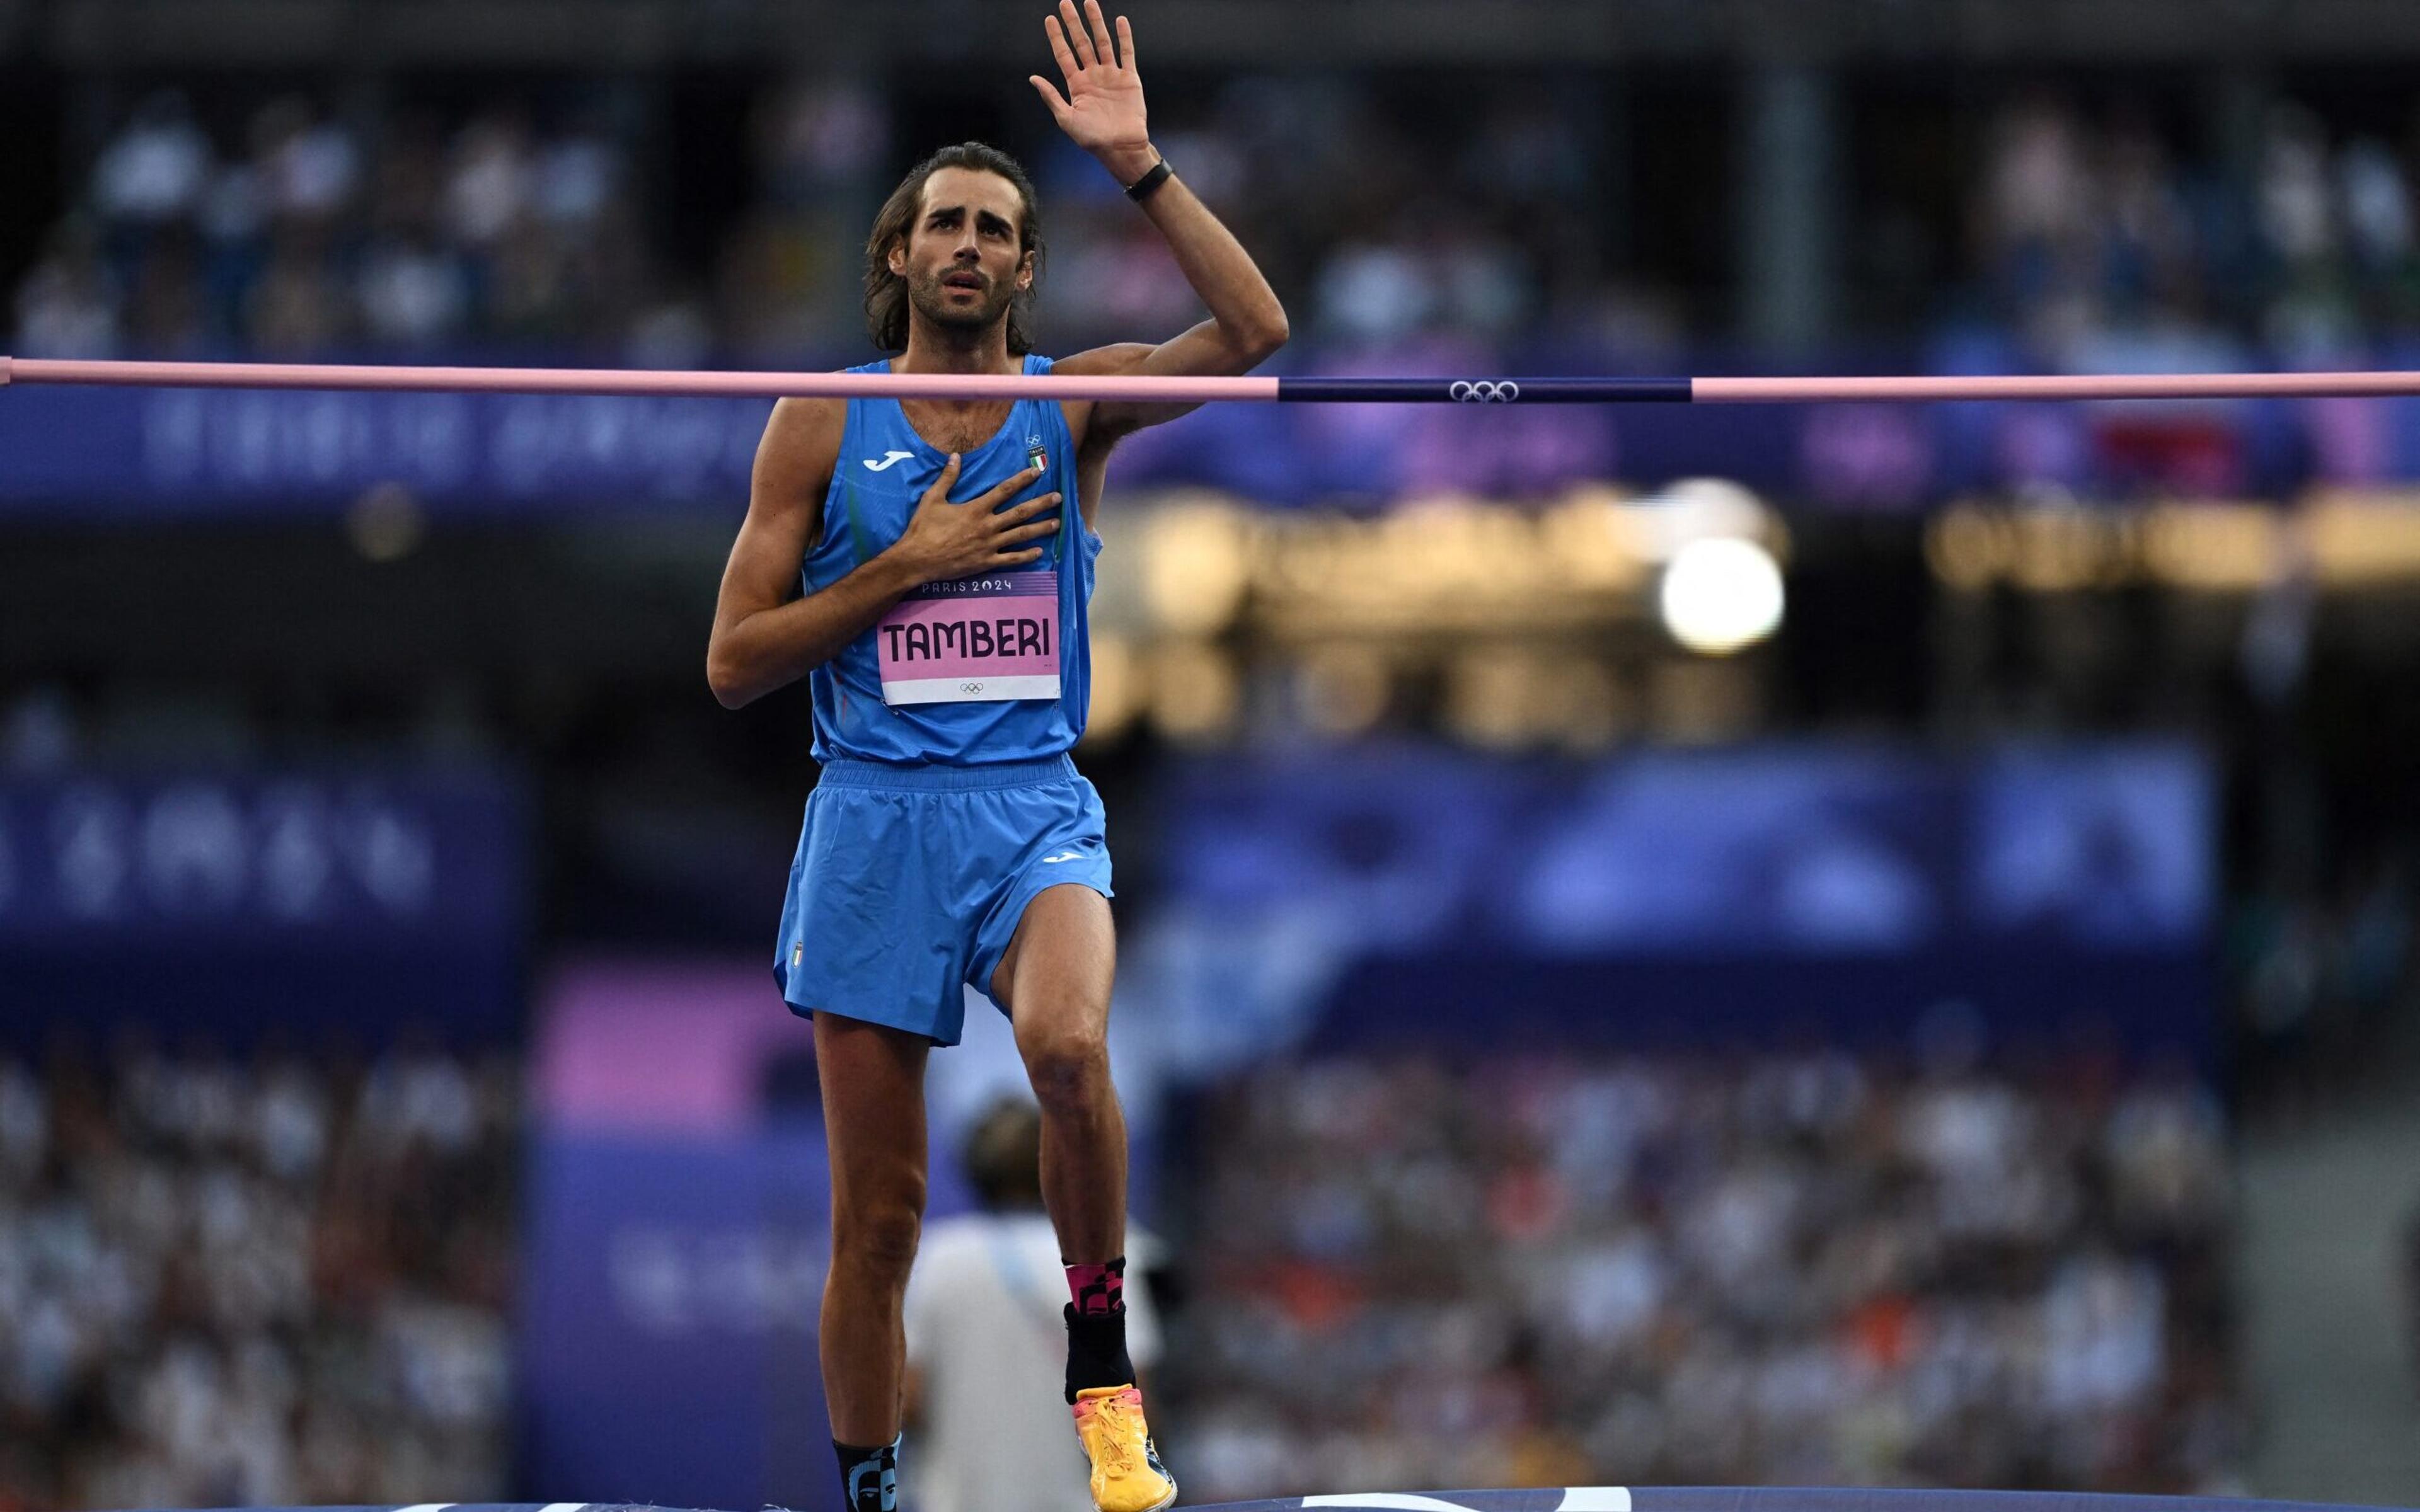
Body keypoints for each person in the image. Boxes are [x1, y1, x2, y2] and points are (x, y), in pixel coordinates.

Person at [703, 4, 1286, 1509]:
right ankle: (868, 1489)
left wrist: (1140, 167)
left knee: (1074, 1050)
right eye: (942, 223)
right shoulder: (819, 425)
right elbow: (732, 658)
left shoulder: (1067, 400)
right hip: (874, 817)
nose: (966, 245)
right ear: (896, 254)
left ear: (1026, 267)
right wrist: (909, 562)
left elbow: (1254, 335)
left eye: (996, 229)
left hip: (1030, 807)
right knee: (877, 1219)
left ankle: (1104, 1376)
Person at [904, 1099, 1163, 1512]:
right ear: (1059, 1163)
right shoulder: (1106, 1250)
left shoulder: (937, 1259)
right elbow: (1138, 1398)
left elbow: (909, 1401)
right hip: (1081, 1503)